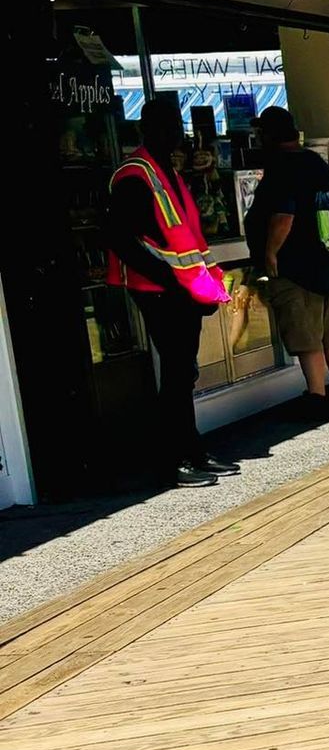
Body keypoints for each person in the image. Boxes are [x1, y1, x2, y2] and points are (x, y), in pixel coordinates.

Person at [104, 98, 233, 489]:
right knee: (176, 375)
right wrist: (171, 281)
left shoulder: (166, 171)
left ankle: (190, 450)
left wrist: (199, 288)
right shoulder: (135, 174)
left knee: (183, 374)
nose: (177, 133)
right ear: (149, 129)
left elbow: (185, 238)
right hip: (159, 289)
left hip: (179, 289)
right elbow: (121, 239)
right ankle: (172, 461)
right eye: (169, 126)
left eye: (177, 125)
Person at [253, 105, 329, 420]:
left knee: (306, 336)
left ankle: (317, 396)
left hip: (295, 267)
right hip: (325, 260)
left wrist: (270, 252)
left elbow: (284, 215)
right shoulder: (314, 161)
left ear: (267, 136)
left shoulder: (279, 167)